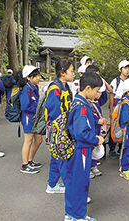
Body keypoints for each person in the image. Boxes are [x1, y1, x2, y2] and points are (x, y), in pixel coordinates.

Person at [65, 72, 104, 221]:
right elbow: (82, 133)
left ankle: (70, 213)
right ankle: (79, 215)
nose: (97, 93)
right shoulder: (82, 106)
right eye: (96, 90)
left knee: (72, 181)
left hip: (76, 148)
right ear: (88, 88)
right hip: (81, 149)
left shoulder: (77, 102)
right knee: (81, 183)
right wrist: (96, 139)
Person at [45, 59, 75, 193]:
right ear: (63, 73)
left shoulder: (64, 86)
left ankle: (52, 185)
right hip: (60, 130)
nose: (74, 74)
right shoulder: (55, 88)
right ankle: (71, 190)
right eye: (72, 71)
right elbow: (53, 111)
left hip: (62, 128)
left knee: (56, 157)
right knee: (63, 158)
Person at [19, 65, 43, 174]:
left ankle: (30, 160)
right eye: (35, 76)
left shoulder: (35, 87)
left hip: (35, 118)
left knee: (38, 140)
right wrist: (38, 109)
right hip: (29, 118)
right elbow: (25, 107)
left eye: (38, 75)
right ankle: (24, 165)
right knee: (28, 141)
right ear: (28, 77)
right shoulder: (26, 90)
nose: (38, 78)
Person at [108, 60, 129, 159]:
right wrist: (111, 110)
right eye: (125, 68)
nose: (127, 71)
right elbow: (111, 95)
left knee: (124, 126)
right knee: (115, 126)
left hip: (126, 105)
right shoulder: (116, 81)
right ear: (120, 69)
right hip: (117, 106)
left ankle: (121, 148)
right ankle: (112, 149)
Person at [89, 83, 106, 178]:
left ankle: (94, 165)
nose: (99, 94)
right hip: (92, 129)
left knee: (96, 147)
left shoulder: (96, 102)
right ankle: (88, 168)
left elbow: (105, 98)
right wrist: (96, 121)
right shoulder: (88, 103)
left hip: (97, 129)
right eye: (98, 91)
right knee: (90, 148)